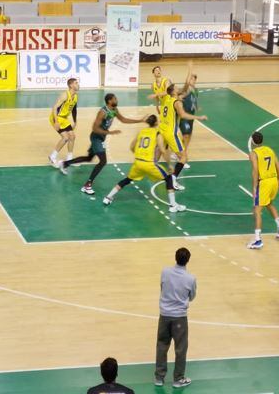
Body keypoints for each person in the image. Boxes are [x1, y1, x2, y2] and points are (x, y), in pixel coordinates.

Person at [58, 93, 146, 195]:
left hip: (101, 138)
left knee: (89, 158)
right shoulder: (102, 112)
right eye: (115, 99)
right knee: (103, 161)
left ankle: (64, 164)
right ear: (109, 101)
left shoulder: (114, 110)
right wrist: (110, 133)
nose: (117, 100)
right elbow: (95, 128)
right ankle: (87, 185)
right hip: (96, 138)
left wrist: (140, 120)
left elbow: (123, 119)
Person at [103, 115, 186, 212]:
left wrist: (140, 154)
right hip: (149, 164)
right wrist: (170, 165)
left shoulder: (141, 132)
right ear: (156, 123)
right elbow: (163, 151)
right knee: (169, 178)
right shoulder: (157, 133)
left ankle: (108, 197)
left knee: (127, 179)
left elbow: (131, 147)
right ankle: (173, 205)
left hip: (138, 162)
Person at [154, 247, 195, 388]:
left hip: (164, 315)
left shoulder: (165, 272)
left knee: (161, 346)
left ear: (175, 257)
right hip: (179, 318)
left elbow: (162, 287)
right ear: (188, 260)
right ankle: (178, 379)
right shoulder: (190, 278)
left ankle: (159, 378)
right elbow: (192, 297)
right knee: (181, 348)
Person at [158, 82, 207, 189]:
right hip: (171, 133)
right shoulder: (177, 103)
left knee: (156, 158)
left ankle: (154, 173)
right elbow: (183, 115)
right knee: (184, 157)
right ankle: (173, 179)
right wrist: (199, 118)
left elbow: (183, 89)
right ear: (173, 92)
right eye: (176, 88)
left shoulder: (167, 98)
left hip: (162, 131)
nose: (178, 88)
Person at [247, 131, 279, 249]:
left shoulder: (253, 153)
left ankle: (258, 240)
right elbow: (278, 165)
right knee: (269, 203)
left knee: (257, 209)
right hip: (274, 180)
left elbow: (255, 170)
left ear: (253, 142)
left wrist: (254, 187)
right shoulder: (270, 150)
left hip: (264, 182)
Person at [48, 78, 79, 165]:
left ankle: (69, 159)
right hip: (56, 117)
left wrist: (75, 121)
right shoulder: (65, 95)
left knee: (72, 136)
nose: (78, 84)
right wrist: (56, 122)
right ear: (71, 85)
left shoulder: (75, 96)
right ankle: (52, 156)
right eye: (76, 83)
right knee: (65, 137)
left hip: (64, 119)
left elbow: (74, 109)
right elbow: (55, 108)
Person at [178, 70, 199, 168]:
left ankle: (179, 152)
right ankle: (183, 157)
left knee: (188, 136)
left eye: (194, 79)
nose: (192, 80)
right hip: (184, 116)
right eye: (191, 78)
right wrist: (190, 69)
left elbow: (195, 101)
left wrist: (196, 106)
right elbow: (182, 94)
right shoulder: (187, 90)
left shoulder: (195, 90)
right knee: (186, 136)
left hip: (191, 116)